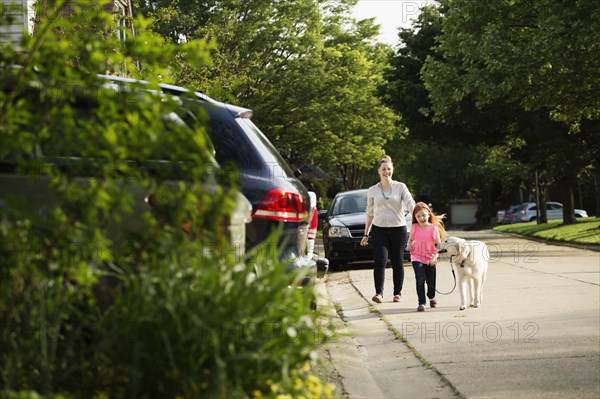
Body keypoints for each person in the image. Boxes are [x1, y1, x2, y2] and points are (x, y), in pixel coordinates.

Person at [360, 155, 415, 304]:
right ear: (379, 171)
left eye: (389, 169)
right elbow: (370, 212)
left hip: (398, 229)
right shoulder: (372, 190)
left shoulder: (400, 187)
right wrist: (366, 233)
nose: (386, 172)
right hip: (379, 230)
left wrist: (418, 215)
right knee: (380, 261)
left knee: (397, 261)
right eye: (383, 169)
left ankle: (397, 293)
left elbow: (410, 203)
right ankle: (379, 293)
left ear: (392, 170)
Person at [406, 202, 447, 312]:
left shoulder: (434, 228)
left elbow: (439, 246)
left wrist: (434, 257)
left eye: (423, 215)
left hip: (430, 257)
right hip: (416, 256)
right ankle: (421, 303)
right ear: (415, 217)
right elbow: (410, 240)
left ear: (428, 214)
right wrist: (409, 246)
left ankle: (431, 297)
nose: (421, 218)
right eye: (418, 216)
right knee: (420, 279)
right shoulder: (414, 227)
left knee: (431, 282)